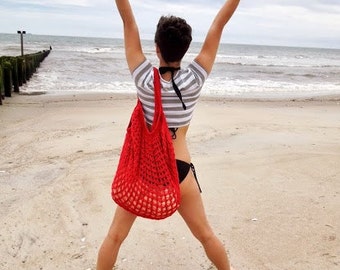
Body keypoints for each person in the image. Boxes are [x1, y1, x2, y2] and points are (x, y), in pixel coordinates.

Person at [97, 0, 240, 269]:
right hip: (181, 172)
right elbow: (218, 24)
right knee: (206, 235)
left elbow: (128, 22)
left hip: (147, 171)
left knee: (115, 236)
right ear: (185, 50)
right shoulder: (194, 79)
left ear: (157, 47)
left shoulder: (143, 77)